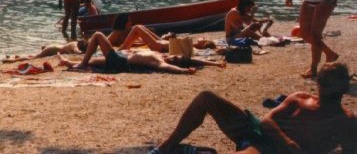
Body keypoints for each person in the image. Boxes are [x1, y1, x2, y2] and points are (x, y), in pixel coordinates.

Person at [148, 61, 355, 154]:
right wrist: (289, 143)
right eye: (325, 82)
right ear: (319, 82)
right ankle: (164, 149)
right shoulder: (300, 98)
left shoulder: (347, 120)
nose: (327, 87)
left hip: (269, 150)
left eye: (333, 83)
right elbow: (266, 121)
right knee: (206, 97)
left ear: (344, 87)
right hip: (260, 134)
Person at [57, 31, 197, 75]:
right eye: (174, 55)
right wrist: (213, 62)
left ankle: (81, 63)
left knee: (98, 35)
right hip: (122, 58)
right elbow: (191, 60)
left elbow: (169, 68)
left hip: (121, 61)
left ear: (173, 61)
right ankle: (71, 63)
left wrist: (184, 71)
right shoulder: (160, 56)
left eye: (174, 58)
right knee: (97, 61)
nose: (172, 55)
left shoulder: (160, 62)